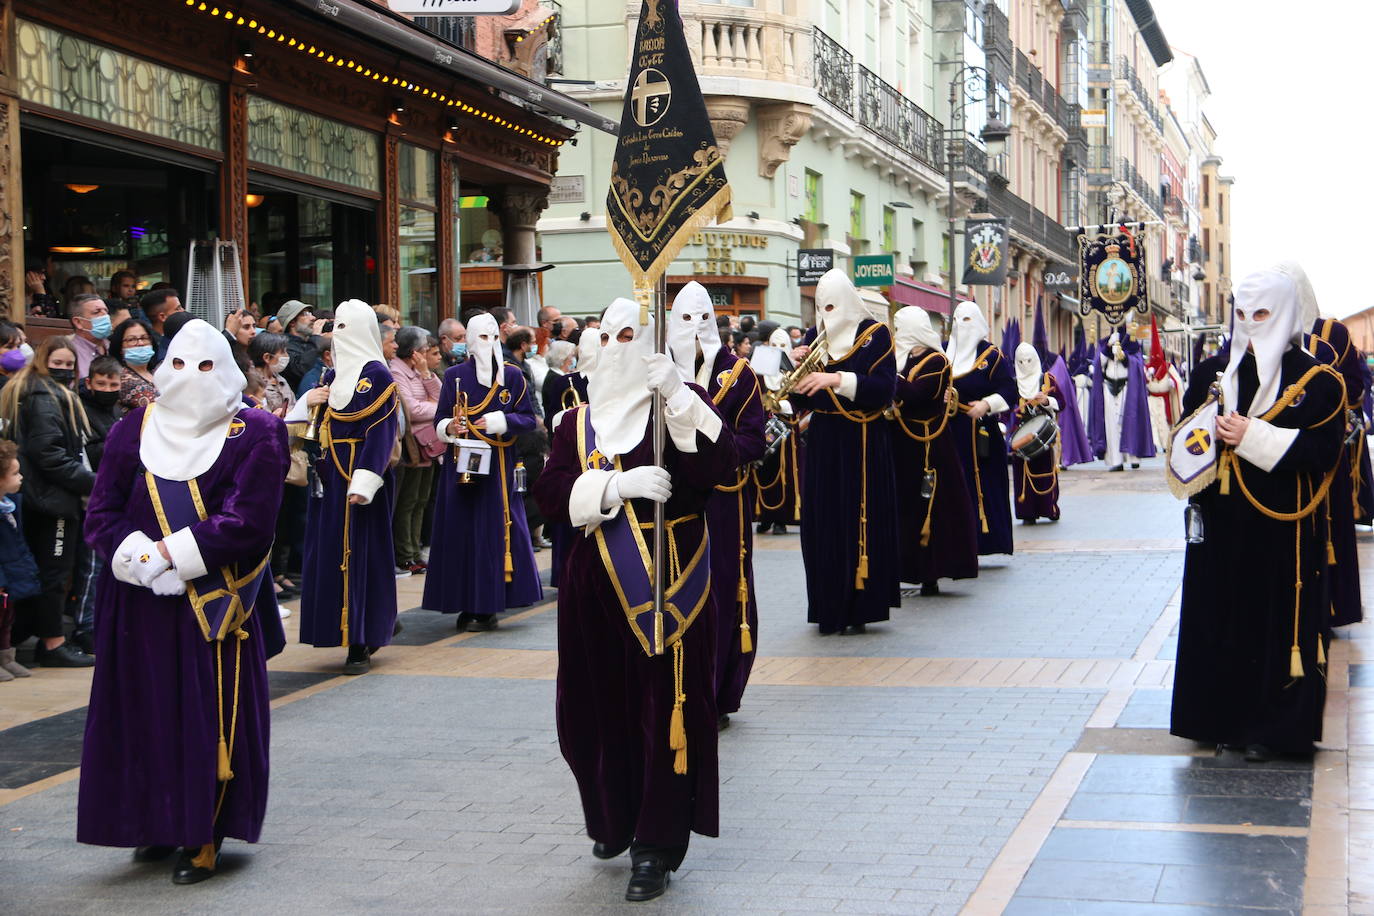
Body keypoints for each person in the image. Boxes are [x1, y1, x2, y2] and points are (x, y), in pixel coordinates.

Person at [532, 297, 738, 902]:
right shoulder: (574, 420)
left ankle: (656, 843)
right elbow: (549, 493)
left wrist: (680, 398)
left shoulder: (673, 408)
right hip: (591, 587)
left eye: (633, 335)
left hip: (667, 583)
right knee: (593, 711)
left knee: (662, 713)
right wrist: (612, 485)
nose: (621, 345)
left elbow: (720, 468)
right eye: (612, 334)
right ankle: (613, 816)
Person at [78, 318, 287, 883]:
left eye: (204, 365)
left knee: (204, 716)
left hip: (212, 603)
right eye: (177, 364)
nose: (190, 377)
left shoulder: (257, 431)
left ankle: (203, 832)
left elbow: (250, 522)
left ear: (226, 369)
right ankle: (150, 822)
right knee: (140, 714)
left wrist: (173, 556)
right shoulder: (132, 429)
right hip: (138, 602)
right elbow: (101, 512)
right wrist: (141, 562)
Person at [1170, 266, 1345, 761]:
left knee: (1274, 623)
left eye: (1262, 313)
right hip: (1222, 528)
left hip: (1283, 532)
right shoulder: (1210, 375)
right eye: (1242, 314)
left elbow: (1323, 452)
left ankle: (1274, 728)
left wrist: (1254, 437)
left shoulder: (1318, 382)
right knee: (1221, 616)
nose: (1250, 325)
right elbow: (1187, 437)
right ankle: (1220, 718)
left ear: (1286, 312)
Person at [668, 282, 766, 724]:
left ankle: (716, 691)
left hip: (724, 503)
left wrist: (714, 456)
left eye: (702, 318)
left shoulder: (738, 373)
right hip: (668, 501)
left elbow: (753, 439)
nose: (693, 329)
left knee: (723, 588)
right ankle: (670, 691)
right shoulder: (658, 368)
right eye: (684, 319)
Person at [789, 269, 899, 634]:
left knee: (857, 517)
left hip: (862, 440)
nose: (827, 314)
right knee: (823, 521)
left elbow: (884, 388)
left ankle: (861, 606)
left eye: (833, 305)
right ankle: (828, 607)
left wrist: (836, 378)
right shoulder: (814, 338)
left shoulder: (875, 335)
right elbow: (798, 397)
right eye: (821, 307)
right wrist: (797, 367)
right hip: (823, 441)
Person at [298, 300, 400, 674]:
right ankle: (336, 628)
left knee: (361, 557)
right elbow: (315, 424)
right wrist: (309, 403)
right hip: (328, 477)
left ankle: (363, 636)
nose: (337, 337)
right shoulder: (330, 376)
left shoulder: (378, 375)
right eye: (334, 328)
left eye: (345, 328)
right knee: (329, 556)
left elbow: (380, 433)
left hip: (358, 480)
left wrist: (366, 480)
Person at [423, 314, 543, 630]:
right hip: (462, 459)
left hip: (500, 464)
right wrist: (449, 425)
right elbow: (440, 417)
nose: (486, 343)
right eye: (480, 337)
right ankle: (465, 601)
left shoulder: (514, 377)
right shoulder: (454, 376)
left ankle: (489, 603)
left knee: (493, 530)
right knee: (461, 529)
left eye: (492, 336)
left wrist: (500, 422)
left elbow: (528, 419)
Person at [0, 336, 95, 667]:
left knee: (46, 571)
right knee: (55, 572)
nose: (64, 370)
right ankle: (52, 644)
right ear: (42, 361)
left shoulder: (38, 391)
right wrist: (96, 483)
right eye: (57, 364)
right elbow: (50, 455)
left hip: (40, 497)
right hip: (52, 500)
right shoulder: (45, 396)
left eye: (69, 365)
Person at [889, 306, 977, 595]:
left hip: (930, 444)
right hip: (903, 443)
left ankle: (932, 571)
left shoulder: (936, 361)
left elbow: (916, 395)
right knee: (906, 507)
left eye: (900, 329)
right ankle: (907, 569)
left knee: (933, 506)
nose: (896, 334)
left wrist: (889, 376)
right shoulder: (901, 359)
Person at [1308, 311, 1366, 628]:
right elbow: (1356, 389)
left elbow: (1354, 390)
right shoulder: (1337, 334)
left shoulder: (1336, 334)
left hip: (1325, 445)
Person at [945, 301, 1017, 556]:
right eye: (956, 320)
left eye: (966, 320)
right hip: (947, 432)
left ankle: (985, 540)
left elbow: (1010, 390)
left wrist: (987, 404)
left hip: (980, 434)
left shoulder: (991, 356)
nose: (961, 327)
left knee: (983, 486)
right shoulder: (943, 353)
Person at [69, 356, 123, 654]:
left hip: (116, 497)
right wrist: (119, 443)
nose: (107, 389)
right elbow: (92, 452)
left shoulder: (115, 410)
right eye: (101, 383)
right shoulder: (82, 410)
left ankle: (104, 622)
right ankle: (85, 626)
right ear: (88, 382)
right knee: (91, 566)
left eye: (113, 384)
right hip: (92, 497)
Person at [390, 327, 442, 574]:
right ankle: (405, 553)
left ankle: (416, 548)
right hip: (411, 443)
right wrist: (432, 405)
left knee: (422, 499)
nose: (426, 354)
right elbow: (411, 409)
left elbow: (444, 399)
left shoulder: (418, 371)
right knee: (408, 501)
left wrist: (426, 373)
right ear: (413, 352)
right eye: (423, 351)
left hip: (428, 444)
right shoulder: (396, 371)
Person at [753, 326, 802, 535]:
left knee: (786, 472)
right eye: (774, 345)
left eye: (783, 345)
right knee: (763, 471)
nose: (778, 350)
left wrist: (785, 406)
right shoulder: (760, 371)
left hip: (787, 428)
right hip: (766, 426)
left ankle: (781, 518)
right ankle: (765, 516)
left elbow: (800, 399)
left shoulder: (793, 371)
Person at [1009, 342, 1064, 524]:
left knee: (1045, 469)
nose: (1025, 364)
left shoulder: (1047, 379)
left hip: (1043, 433)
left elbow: (1062, 403)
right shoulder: (1012, 384)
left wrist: (1047, 400)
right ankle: (1027, 512)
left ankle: (1048, 507)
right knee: (1022, 473)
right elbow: (1005, 410)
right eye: (1021, 361)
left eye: (1029, 360)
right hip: (1021, 435)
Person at [0, 439, 41, 681]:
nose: (21, 478)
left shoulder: (12, 505)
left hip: (13, 572)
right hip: (3, 576)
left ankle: (7, 658)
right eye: (15, 474)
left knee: (7, 619)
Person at [1089, 330, 1155, 471]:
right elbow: (1098, 364)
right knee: (1111, 425)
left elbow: (1138, 365)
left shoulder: (1132, 344)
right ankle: (1116, 461)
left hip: (1127, 388)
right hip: (1108, 388)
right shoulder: (1104, 343)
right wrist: (1108, 348)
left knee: (1130, 422)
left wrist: (1125, 357)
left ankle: (1133, 458)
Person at [1145, 319, 1184, 452]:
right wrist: (1146, 377)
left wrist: (1172, 383)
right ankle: (1155, 444)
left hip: (1164, 399)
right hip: (1151, 400)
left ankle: (1167, 444)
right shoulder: (1147, 368)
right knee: (1153, 423)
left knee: (1165, 422)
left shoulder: (1168, 367)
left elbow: (1177, 381)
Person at [109, 318, 160, 411]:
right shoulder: (124, 380)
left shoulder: (156, 371)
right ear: (120, 347)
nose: (140, 343)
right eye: (131, 339)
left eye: (144, 338)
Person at [278, 299, 320, 392]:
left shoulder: (308, 342)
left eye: (310, 313)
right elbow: (302, 369)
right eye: (305, 314)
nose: (313, 318)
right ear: (292, 322)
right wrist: (316, 337)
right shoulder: (283, 346)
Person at [67, 293, 112, 381]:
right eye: (96, 312)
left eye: (106, 311)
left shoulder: (114, 346)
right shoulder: (70, 352)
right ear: (78, 322)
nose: (105, 316)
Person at [248, 332, 295, 416]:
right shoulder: (252, 383)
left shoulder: (280, 380)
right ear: (267, 357)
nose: (287, 356)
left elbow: (292, 404)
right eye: (283, 352)